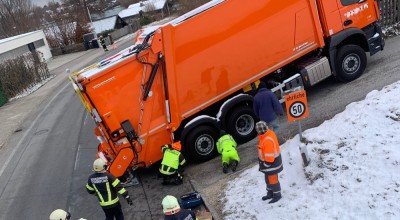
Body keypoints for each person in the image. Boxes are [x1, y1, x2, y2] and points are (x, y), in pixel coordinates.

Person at [255, 121, 283, 203]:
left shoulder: (267, 140)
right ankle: (270, 193)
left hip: (271, 165)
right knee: (268, 180)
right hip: (269, 165)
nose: (257, 132)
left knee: (273, 180)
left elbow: (269, 156)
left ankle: (277, 195)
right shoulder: (267, 134)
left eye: (257, 130)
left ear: (261, 131)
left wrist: (265, 164)